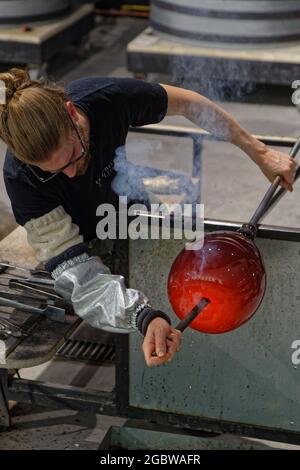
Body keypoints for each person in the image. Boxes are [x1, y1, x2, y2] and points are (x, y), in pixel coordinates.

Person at [0, 68, 296, 367]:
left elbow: (191, 103)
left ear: (71, 112)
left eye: (74, 154)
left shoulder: (106, 98)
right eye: (54, 172)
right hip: (80, 237)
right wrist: (144, 316)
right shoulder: (22, 179)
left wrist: (260, 153)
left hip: (125, 205)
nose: (73, 173)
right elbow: (79, 275)